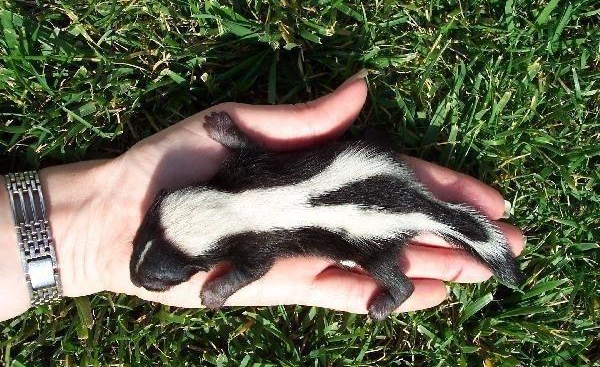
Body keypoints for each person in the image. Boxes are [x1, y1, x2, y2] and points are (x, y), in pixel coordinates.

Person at [0, 72, 525, 322]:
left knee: (379, 262)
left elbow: (250, 268)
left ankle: (398, 289)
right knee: (392, 194)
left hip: (366, 221)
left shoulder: (251, 243)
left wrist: (222, 288)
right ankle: (465, 242)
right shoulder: (241, 179)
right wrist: (231, 135)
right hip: (364, 172)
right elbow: (244, 153)